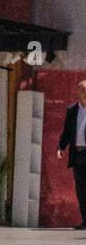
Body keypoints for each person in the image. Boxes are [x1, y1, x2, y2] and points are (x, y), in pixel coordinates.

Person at [56, 77, 86, 229]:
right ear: (78, 93)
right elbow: (67, 132)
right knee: (81, 189)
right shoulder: (72, 110)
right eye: (82, 91)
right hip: (78, 153)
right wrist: (61, 147)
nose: (85, 94)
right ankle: (85, 220)